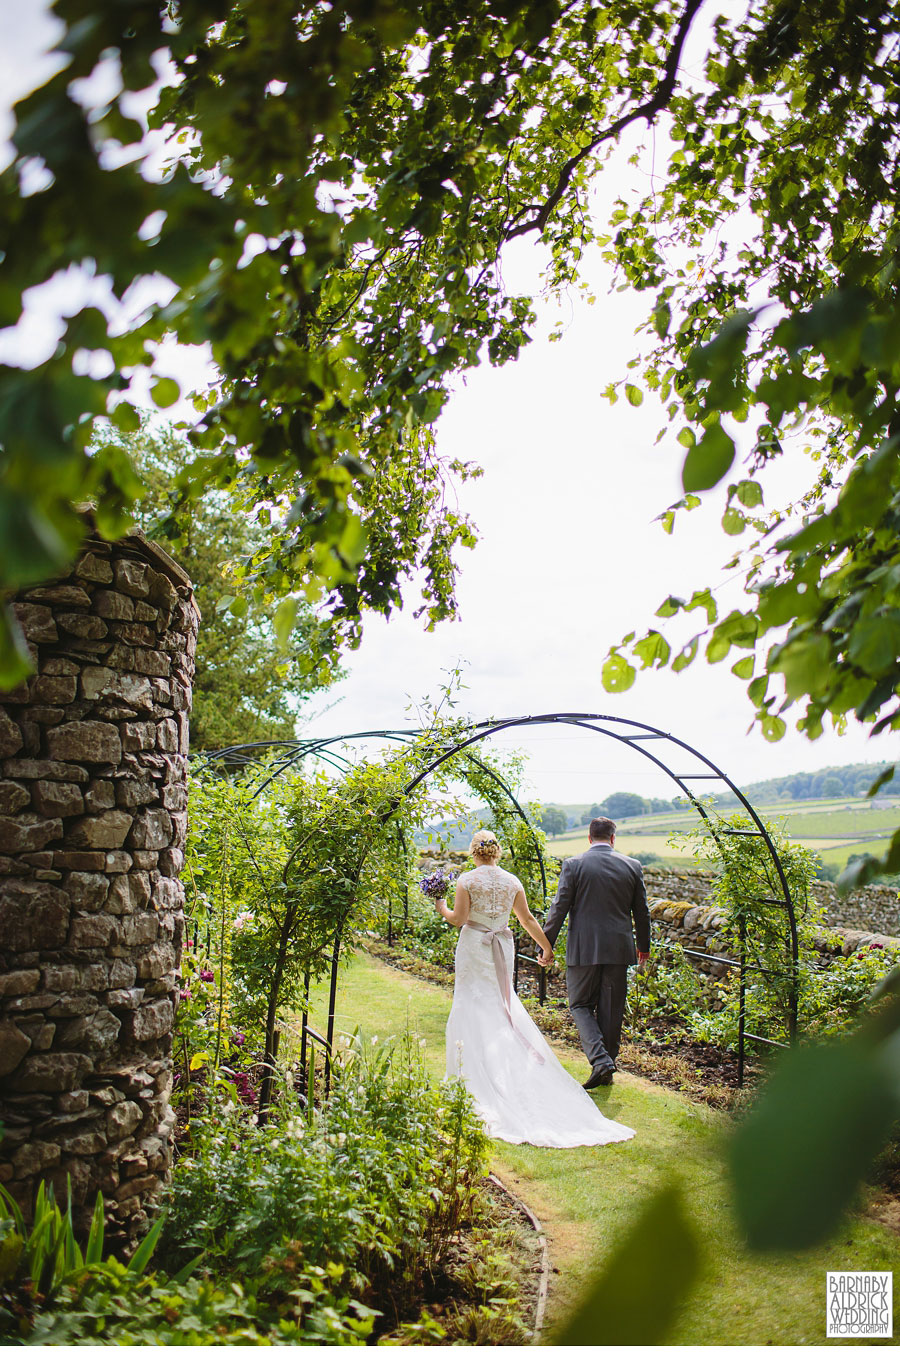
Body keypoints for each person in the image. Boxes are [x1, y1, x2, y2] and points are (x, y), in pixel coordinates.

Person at [433, 829, 634, 1148]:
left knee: (472, 1003)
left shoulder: (466, 881)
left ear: (474, 852)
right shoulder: (513, 881)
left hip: (475, 944)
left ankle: (473, 1076)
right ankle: (504, 1067)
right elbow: (526, 919)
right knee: (501, 1003)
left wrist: (440, 905)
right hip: (502, 943)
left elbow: (458, 919)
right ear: (497, 852)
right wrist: (546, 948)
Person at [543, 816, 651, 1090]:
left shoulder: (574, 865)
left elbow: (559, 908)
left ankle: (601, 1061)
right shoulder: (633, 866)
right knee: (611, 1011)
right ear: (613, 839)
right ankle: (607, 1069)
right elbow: (642, 912)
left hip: (583, 948)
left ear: (589, 838)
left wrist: (546, 945)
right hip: (618, 948)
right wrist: (644, 947)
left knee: (580, 1004)